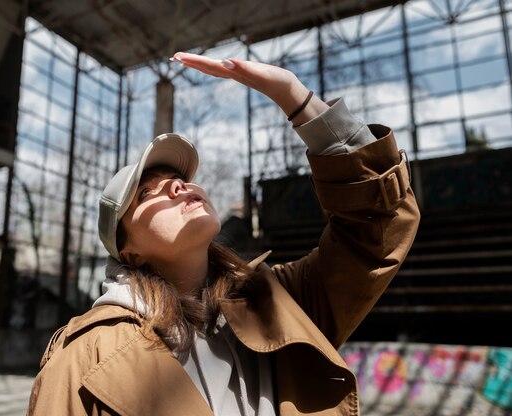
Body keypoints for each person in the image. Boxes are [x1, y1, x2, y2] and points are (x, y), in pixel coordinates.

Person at [27, 52, 420, 416]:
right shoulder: (84, 357)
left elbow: (377, 224)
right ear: (128, 252)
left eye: (179, 179)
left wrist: (296, 99)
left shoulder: (280, 302)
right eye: (146, 193)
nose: (178, 187)